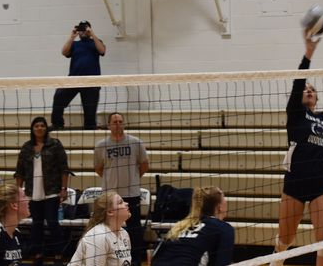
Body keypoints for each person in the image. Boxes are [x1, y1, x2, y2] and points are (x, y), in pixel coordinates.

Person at [271, 31, 323, 266]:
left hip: (321, 184)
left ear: (317, 97)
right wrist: (308, 54)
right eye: (306, 89)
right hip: (296, 182)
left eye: (312, 89)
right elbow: (298, 83)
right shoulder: (296, 114)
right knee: (285, 241)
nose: (308, 90)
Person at [94, 112, 150, 266]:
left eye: (120, 121)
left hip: (131, 193)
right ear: (109, 125)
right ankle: (109, 258)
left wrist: (132, 179)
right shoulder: (101, 146)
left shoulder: (136, 142)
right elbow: (99, 168)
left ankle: (136, 260)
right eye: (115, 122)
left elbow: (144, 165)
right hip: (110, 195)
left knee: (134, 228)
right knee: (108, 228)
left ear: (124, 124)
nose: (118, 124)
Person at [14, 117, 70, 266]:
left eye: (42, 126)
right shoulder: (26, 148)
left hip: (51, 191)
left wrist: (64, 189)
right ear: (32, 129)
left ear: (46, 128)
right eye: (36, 126)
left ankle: (58, 255)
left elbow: (64, 168)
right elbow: (19, 172)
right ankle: (38, 255)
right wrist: (18, 192)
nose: (39, 128)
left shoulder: (55, 144)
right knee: (36, 225)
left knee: (53, 224)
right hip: (33, 193)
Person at [152, 186, 234, 266]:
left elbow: (156, 257)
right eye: (224, 199)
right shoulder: (223, 228)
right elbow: (222, 262)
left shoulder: (179, 227)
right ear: (220, 207)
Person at [51, 20, 106, 130]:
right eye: (81, 29)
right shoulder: (75, 44)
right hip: (74, 79)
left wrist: (92, 34)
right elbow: (64, 52)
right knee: (59, 96)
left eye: (85, 29)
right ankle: (57, 124)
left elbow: (102, 50)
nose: (82, 31)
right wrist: (72, 37)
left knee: (90, 109)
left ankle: (89, 128)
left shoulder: (96, 42)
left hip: (91, 81)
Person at [68, 191, 133, 266]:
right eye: (120, 202)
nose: (126, 204)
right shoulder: (99, 236)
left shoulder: (124, 233)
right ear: (110, 212)